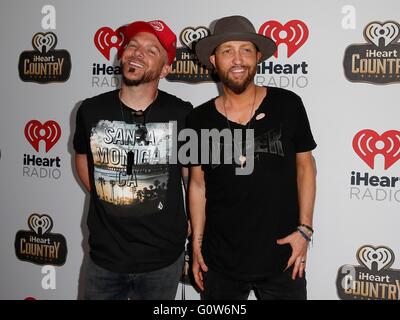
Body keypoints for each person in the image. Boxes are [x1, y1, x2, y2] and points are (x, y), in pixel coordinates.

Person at [187, 15, 317, 300]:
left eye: (245, 49)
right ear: (213, 60)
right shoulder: (197, 118)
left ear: (258, 56)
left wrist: (305, 230)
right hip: (219, 264)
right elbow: (197, 185)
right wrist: (195, 245)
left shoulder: (288, 104)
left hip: (283, 259)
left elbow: (306, 167)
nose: (237, 59)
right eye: (227, 51)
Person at [73, 19, 192, 300]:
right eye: (133, 45)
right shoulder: (90, 109)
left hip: (162, 260)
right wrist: (111, 194)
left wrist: (196, 226)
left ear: (166, 69)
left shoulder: (182, 113)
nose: (138, 53)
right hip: (105, 258)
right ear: (122, 54)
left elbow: (192, 177)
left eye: (151, 50)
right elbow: (82, 158)